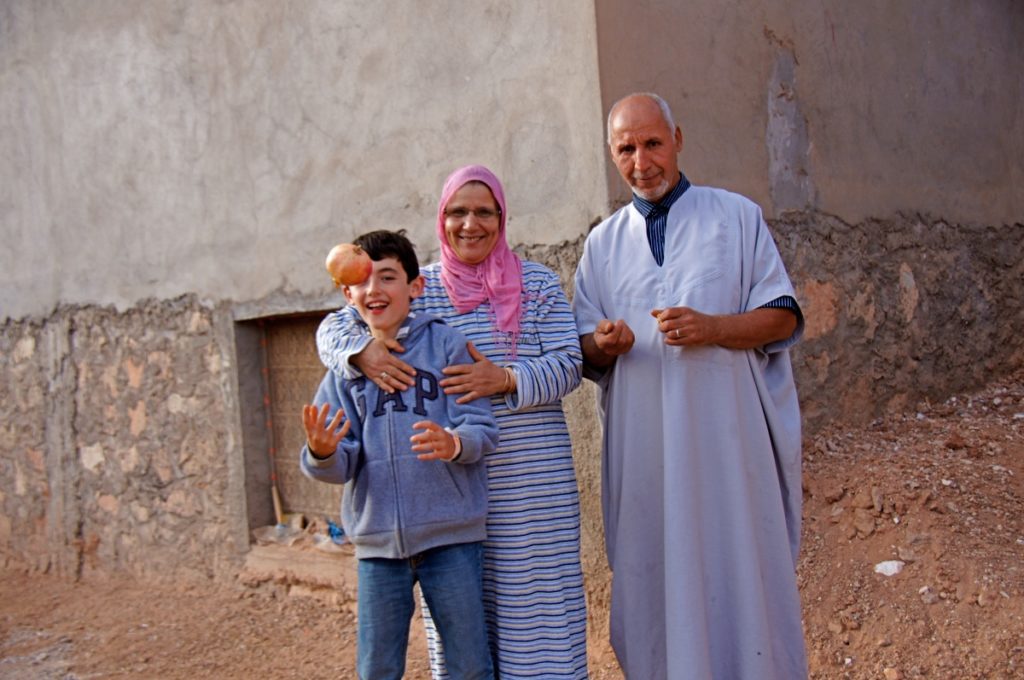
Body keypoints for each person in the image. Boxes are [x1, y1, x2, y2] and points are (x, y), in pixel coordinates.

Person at [316, 165, 589, 679]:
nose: (471, 224)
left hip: (533, 484)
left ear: (502, 217)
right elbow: (335, 324)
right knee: (464, 623)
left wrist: (503, 379)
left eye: (484, 212)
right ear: (441, 219)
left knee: (539, 607)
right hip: (450, 491)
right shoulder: (422, 288)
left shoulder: (538, 284)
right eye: (457, 212)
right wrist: (361, 354)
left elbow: (569, 363)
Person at [572, 92, 809, 679]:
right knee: (655, 583)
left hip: (727, 454)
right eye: (626, 148)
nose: (641, 160)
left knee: (738, 577)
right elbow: (580, 351)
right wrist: (605, 343)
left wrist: (715, 328)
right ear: (611, 154)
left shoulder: (735, 216)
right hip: (647, 461)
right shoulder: (601, 245)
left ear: (678, 138)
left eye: (652, 143)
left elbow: (782, 317)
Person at [301, 229, 499, 680]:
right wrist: (321, 451)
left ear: (415, 286)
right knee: (378, 666)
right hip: (376, 544)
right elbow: (340, 460)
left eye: (388, 277)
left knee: (469, 663)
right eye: (364, 282)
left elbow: (482, 430)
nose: (375, 290)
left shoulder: (446, 346)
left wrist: (454, 444)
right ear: (347, 293)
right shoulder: (343, 370)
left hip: (451, 536)